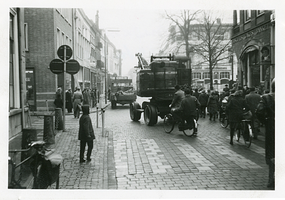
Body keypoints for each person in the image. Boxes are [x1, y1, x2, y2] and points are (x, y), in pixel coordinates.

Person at [256, 79, 275, 189]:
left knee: (272, 153)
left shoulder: (266, 97)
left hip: (272, 127)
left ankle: (271, 179)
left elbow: (259, 112)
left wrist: (266, 121)